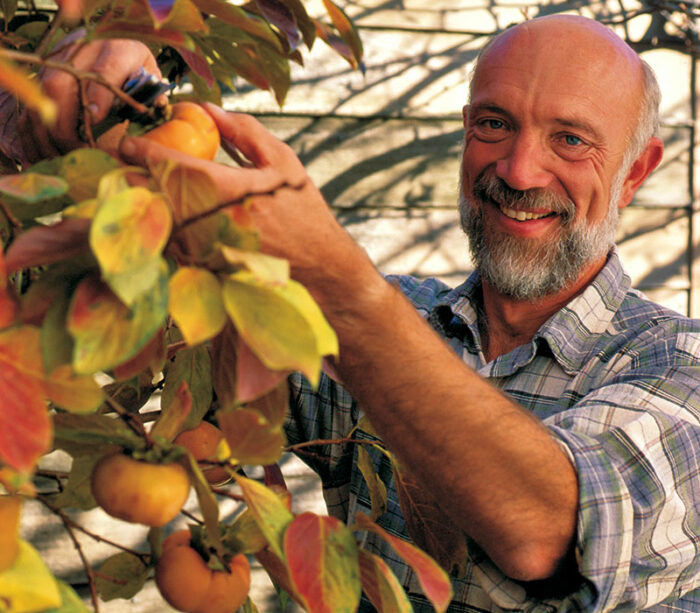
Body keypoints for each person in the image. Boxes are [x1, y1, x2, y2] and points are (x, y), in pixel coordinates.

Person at [4, 13, 700, 612]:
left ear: (637, 172)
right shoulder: (396, 318)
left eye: (570, 139)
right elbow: (161, 323)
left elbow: (545, 524)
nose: (518, 170)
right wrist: (91, 109)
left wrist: (341, 286)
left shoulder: (679, 367)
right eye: (494, 123)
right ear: (465, 133)